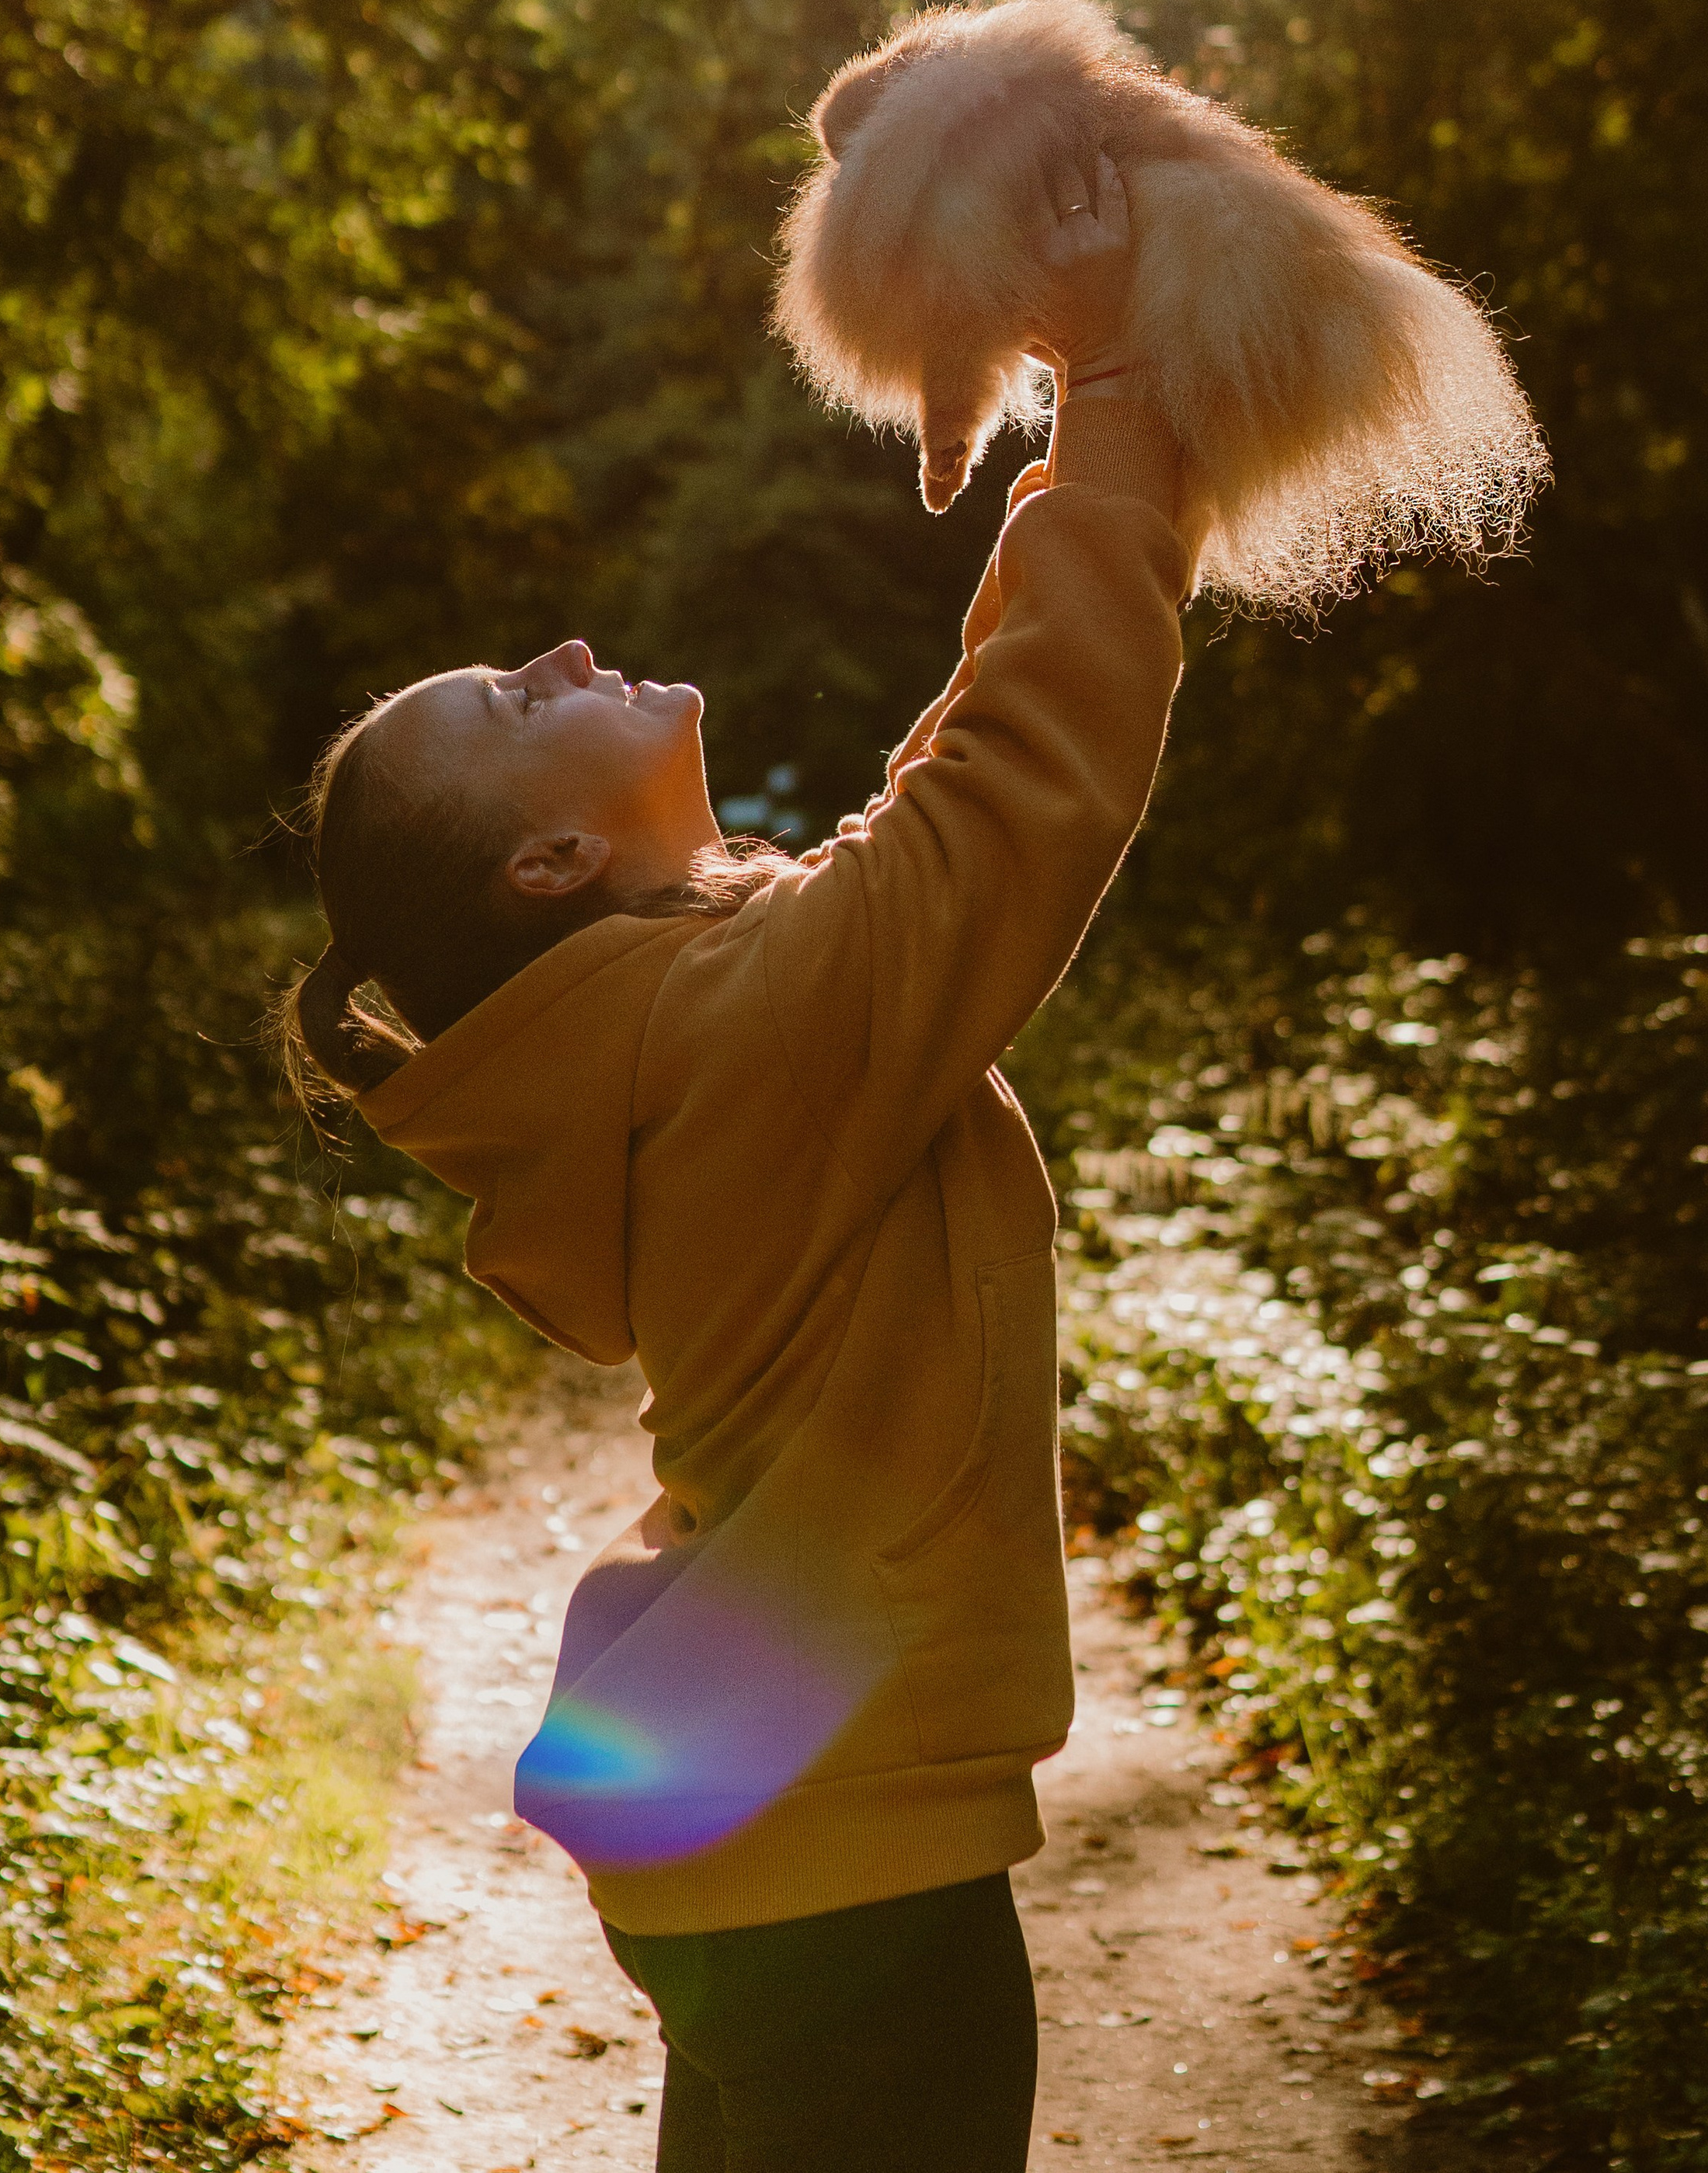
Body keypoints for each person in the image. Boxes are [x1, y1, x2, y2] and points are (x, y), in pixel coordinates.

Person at [276, 157, 1191, 2171]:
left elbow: (931, 788)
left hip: (780, 1853)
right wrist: (1121, 381)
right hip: (845, 1871)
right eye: (520, 698)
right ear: (546, 862)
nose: (570, 646)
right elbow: (1019, 775)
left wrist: (1078, 425)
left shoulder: (688, 1010)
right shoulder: (732, 1027)